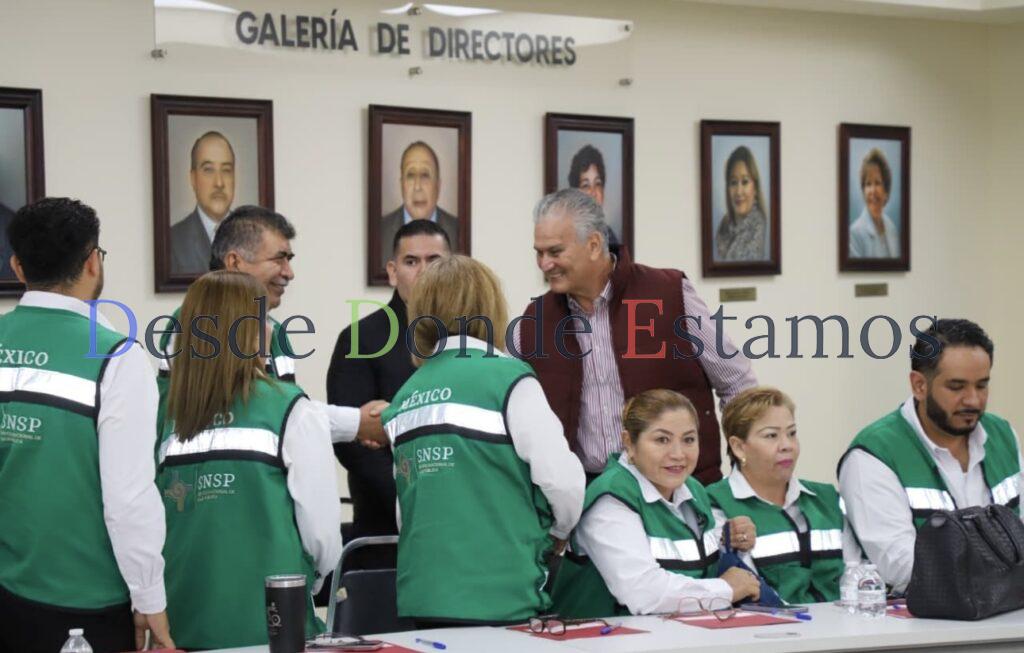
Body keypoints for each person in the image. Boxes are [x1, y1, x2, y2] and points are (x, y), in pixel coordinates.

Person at [0, 198, 173, 653]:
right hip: (81, 600)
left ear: (18, 267)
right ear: (93, 261)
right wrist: (149, 596)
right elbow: (128, 497)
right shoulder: (117, 358)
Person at [383, 255, 585, 626]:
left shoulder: (404, 397)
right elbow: (563, 482)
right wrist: (557, 534)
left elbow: (405, 510)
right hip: (501, 593)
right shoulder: (510, 380)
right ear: (490, 307)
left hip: (424, 595)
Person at [157, 270, 347, 650]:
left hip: (182, 619)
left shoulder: (163, 414)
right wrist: (317, 580)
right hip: (273, 623)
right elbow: (323, 534)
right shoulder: (291, 408)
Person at [515, 189, 756, 484]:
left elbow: (737, 384)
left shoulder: (670, 293)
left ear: (593, 245)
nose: (544, 264)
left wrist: (744, 477)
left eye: (554, 252)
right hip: (586, 502)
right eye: (539, 253)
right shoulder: (533, 322)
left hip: (682, 495)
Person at [156, 205, 385, 444]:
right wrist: (356, 423)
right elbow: (243, 415)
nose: (289, 273)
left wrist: (358, 425)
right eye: (279, 259)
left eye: (290, 260)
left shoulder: (275, 332)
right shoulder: (197, 325)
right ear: (235, 262)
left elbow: (287, 417)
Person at [839, 319, 1022, 593]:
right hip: (922, 626)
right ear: (919, 385)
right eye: (957, 387)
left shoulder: (1002, 435)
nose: (973, 400)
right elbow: (902, 567)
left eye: (982, 385)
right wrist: (1004, 570)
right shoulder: (873, 455)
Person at [551, 389, 760, 618]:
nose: (678, 454)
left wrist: (729, 541)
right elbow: (644, 593)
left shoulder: (693, 490)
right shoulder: (611, 500)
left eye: (689, 439)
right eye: (662, 440)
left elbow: (696, 567)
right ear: (629, 442)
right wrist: (727, 589)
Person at [328, 220, 450, 558]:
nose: (424, 272)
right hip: (384, 531)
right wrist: (414, 501)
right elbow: (355, 445)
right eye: (412, 262)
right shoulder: (360, 339)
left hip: (460, 522)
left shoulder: (468, 340)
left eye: (435, 261)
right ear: (393, 272)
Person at [707, 387, 859, 604]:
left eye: (792, 433)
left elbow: (855, 573)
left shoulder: (826, 498)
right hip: (767, 631)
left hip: (845, 628)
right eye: (771, 436)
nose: (787, 445)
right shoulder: (715, 504)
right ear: (739, 447)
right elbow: (750, 589)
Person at [379, 141, 458, 263]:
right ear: (401, 184)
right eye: (410, 175)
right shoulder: (381, 230)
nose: (417, 187)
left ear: (438, 185)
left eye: (425, 175)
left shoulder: (457, 229)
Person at [171, 131, 236, 275]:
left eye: (226, 170)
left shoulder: (255, 237)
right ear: (193, 178)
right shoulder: (173, 242)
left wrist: (257, 299)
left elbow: (259, 295)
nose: (219, 183)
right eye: (208, 170)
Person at [715, 146, 768, 262]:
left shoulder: (760, 231)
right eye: (733, 182)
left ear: (755, 188)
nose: (739, 192)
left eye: (745, 182)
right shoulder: (723, 226)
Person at [848, 147, 899, 259]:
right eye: (868, 184)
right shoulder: (854, 234)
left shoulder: (892, 229)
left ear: (886, 190)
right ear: (863, 190)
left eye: (877, 183)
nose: (872, 191)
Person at [568, 144, 619, 246]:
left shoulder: (610, 237)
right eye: (586, 185)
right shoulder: (566, 236)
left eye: (598, 183)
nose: (594, 192)